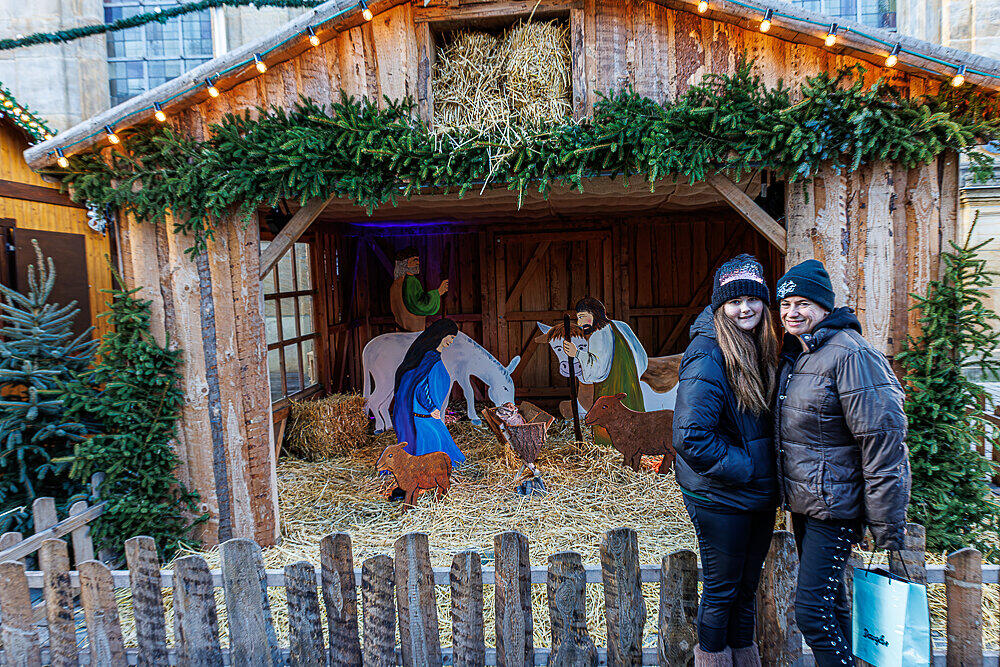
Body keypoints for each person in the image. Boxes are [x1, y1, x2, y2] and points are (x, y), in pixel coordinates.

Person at [774, 259, 910, 667]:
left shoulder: (850, 354)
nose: (792, 312)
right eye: (785, 304)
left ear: (824, 307)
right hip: (808, 503)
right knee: (832, 609)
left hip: (834, 506)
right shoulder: (802, 353)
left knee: (812, 615)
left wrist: (885, 524)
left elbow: (882, 440)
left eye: (803, 303)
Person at [672, 254, 779, 667]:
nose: (745, 308)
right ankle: (713, 660)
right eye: (734, 301)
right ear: (720, 306)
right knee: (721, 590)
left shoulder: (760, 346)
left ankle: (745, 659)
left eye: (753, 298)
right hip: (722, 496)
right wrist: (749, 467)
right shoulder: (709, 353)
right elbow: (690, 436)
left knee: (746, 591)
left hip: (755, 495)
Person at [562, 296, 646, 445]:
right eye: (578, 318)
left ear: (594, 314)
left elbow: (596, 372)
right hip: (631, 387)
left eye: (582, 317)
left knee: (609, 423)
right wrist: (633, 375)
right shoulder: (620, 326)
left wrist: (576, 353)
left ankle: (610, 448)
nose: (580, 323)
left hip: (610, 389)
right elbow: (641, 356)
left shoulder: (598, 335)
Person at [391, 318, 465, 466]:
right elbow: (421, 387)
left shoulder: (432, 357)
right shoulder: (429, 358)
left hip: (429, 412)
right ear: (442, 334)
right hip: (425, 412)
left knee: (442, 440)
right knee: (435, 439)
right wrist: (431, 408)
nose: (451, 342)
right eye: (450, 338)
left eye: (453, 339)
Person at [389, 247, 448, 332]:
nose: (418, 263)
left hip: (401, 329)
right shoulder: (411, 281)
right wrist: (438, 292)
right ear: (405, 263)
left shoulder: (395, 284)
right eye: (414, 260)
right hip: (413, 330)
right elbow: (420, 305)